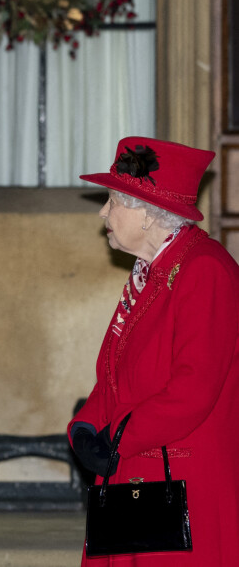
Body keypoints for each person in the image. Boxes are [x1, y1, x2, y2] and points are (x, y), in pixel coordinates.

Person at [68, 137, 239, 566]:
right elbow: (117, 372)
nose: (103, 212)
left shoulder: (205, 269)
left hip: (182, 483)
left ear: (146, 212)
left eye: (112, 201)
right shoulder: (153, 271)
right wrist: (87, 426)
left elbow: (193, 389)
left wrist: (121, 437)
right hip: (135, 471)